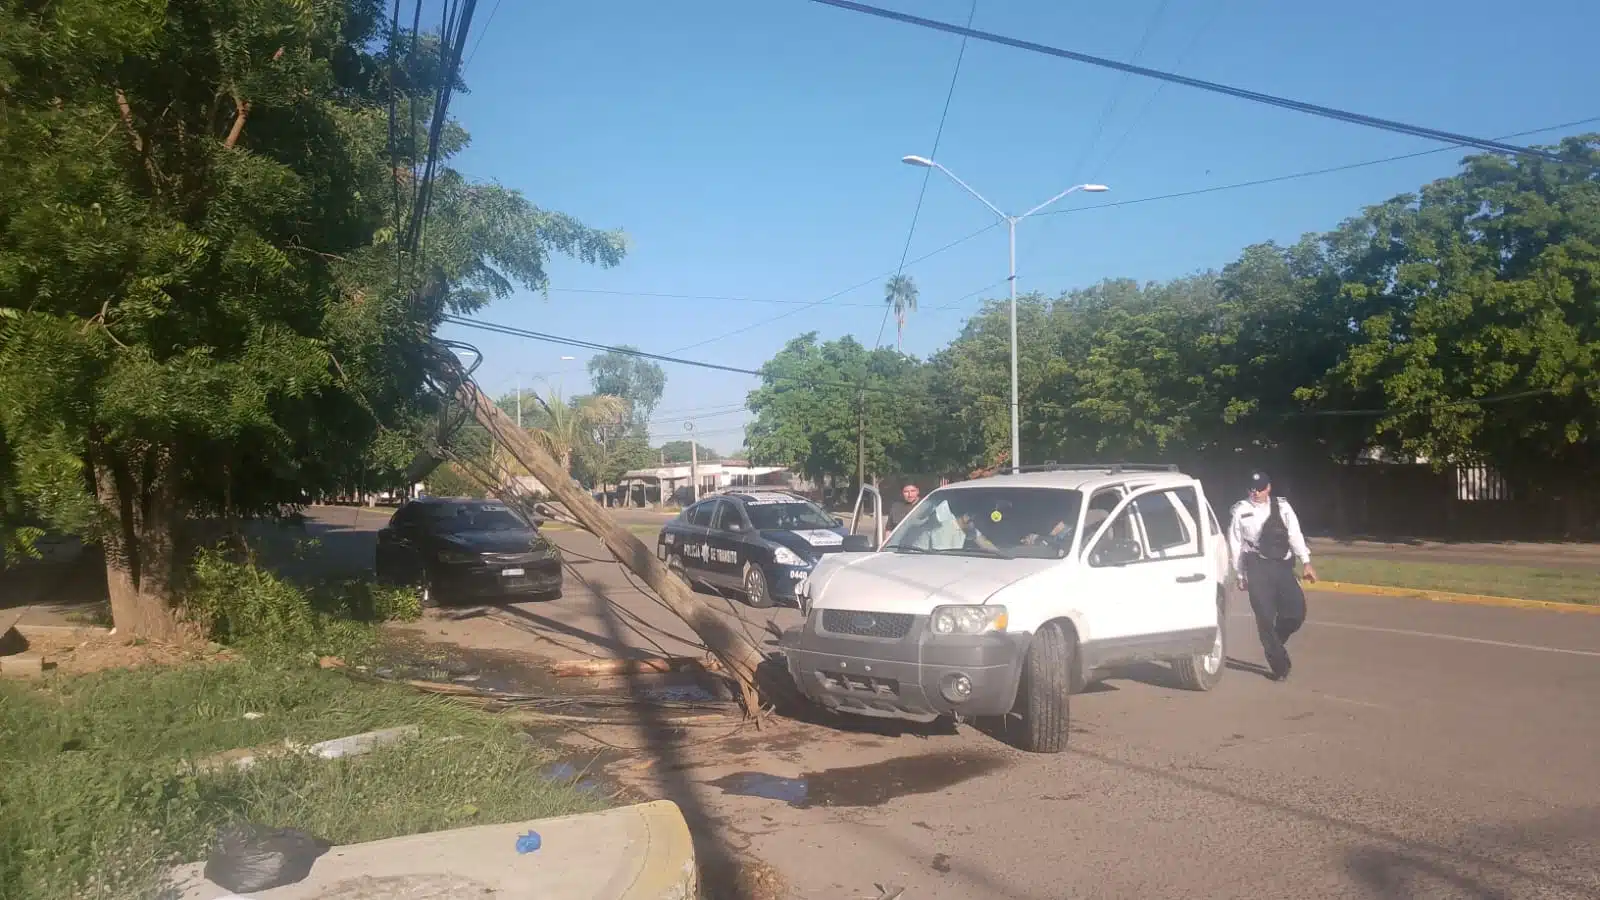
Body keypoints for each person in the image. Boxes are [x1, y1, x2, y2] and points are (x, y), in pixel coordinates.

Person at [1228, 471, 1317, 681]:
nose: (1255, 492)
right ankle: (1279, 665)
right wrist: (1240, 574)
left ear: (1268, 488)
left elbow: (1295, 534)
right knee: (1265, 618)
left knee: (1296, 613)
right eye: (1251, 488)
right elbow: (1235, 544)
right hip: (1257, 567)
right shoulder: (1241, 511)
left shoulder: (1283, 507)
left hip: (1282, 566)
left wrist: (1306, 562)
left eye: (1259, 488)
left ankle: (1274, 640)